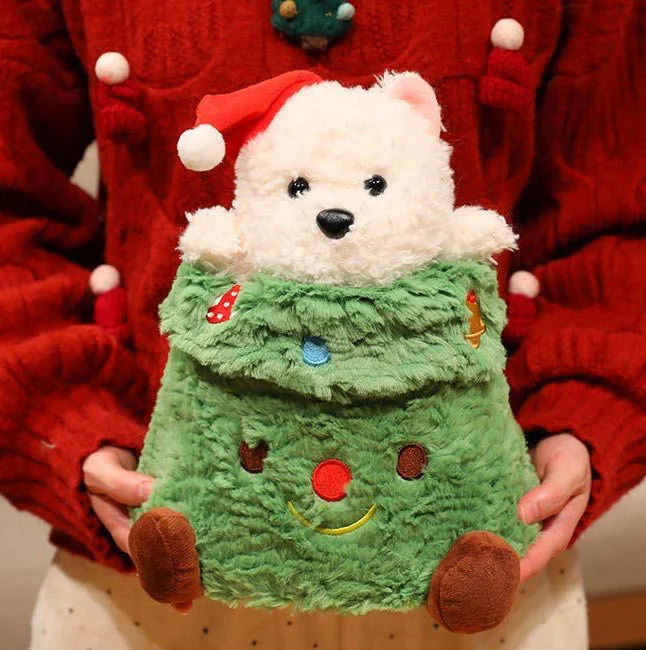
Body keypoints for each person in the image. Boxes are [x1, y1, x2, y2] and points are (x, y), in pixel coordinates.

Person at [0, 1, 644, 649]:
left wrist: (584, 407)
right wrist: (64, 419)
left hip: (481, 565)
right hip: (155, 561)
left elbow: (616, 196)